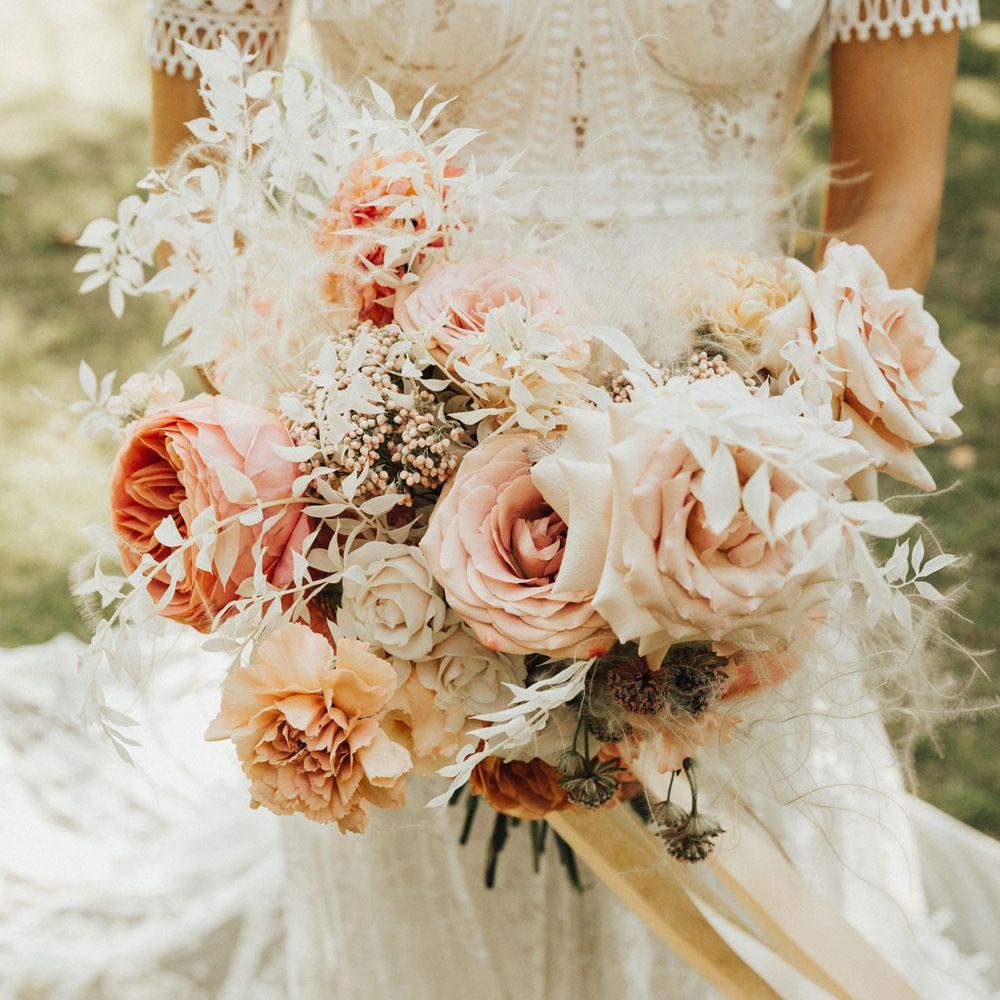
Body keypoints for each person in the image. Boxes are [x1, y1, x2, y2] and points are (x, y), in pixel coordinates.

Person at [6, 2, 998, 998]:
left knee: (753, 925)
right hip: (389, 545)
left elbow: (893, 206)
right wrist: (368, 498)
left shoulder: (734, 510)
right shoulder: (383, 532)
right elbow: (199, 204)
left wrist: (720, 495)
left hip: (735, 510)